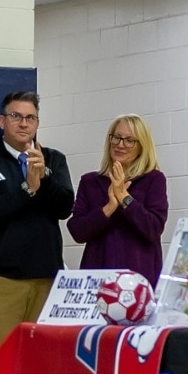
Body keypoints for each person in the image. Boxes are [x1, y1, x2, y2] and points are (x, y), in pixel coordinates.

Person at [0, 91, 74, 371]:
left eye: (30, 118)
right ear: (2, 121)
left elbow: (65, 207)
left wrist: (45, 178)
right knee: (0, 365)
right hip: (3, 281)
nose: (23, 123)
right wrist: (27, 190)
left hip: (47, 280)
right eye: (16, 116)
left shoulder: (54, 160)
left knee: (42, 366)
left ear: (37, 124)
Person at [67, 115, 168, 288]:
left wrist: (124, 198)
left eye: (129, 140)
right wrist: (109, 207)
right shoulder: (90, 181)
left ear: (141, 147)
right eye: (116, 137)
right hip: (97, 280)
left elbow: (153, 228)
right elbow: (77, 231)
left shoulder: (153, 179)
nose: (120, 144)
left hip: (139, 281)